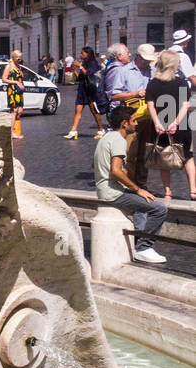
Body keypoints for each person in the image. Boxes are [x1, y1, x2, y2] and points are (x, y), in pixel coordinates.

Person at [94, 104, 168, 265]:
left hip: (105, 189)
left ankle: (137, 244)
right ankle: (144, 248)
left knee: (141, 208)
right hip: (112, 193)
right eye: (134, 121)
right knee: (159, 209)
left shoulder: (105, 138)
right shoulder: (119, 140)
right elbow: (115, 170)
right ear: (124, 123)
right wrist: (138, 189)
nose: (136, 124)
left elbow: (94, 165)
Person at [145, 49, 196, 201]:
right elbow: (185, 105)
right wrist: (176, 122)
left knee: (163, 158)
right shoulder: (181, 82)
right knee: (188, 157)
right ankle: (193, 190)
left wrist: (157, 123)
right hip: (181, 126)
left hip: (159, 127)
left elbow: (150, 105)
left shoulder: (153, 83)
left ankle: (167, 191)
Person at [64, 46, 106, 139]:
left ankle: (101, 129)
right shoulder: (84, 63)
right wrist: (74, 69)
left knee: (94, 110)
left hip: (90, 89)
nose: (80, 54)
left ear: (88, 54)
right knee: (77, 109)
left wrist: (80, 66)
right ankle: (73, 131)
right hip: (82, 89)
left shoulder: (93, 63)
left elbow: (88, 74)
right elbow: (80, 77)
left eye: (82, 53)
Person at [2, 49, 26, 139]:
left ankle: (16, 130)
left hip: (19, 91)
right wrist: (15, 82)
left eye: (21, 58)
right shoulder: (9, 66)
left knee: (20, 111)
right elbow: (4, 79)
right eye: (18, 59)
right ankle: (12, 132)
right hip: (12, 91)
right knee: (14, 111)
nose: (20, 60)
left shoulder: (18, 67)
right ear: (14, 58)